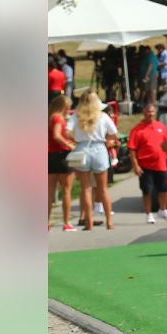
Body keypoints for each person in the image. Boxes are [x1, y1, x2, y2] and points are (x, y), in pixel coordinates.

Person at [67, 92, 118, 229]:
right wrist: (107, 141)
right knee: (103, 189)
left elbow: (66, 131)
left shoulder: (76, 116)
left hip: (81, 149)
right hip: (99, 148)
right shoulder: (103, 116)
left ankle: (88, 221)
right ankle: (109, 221)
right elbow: (114, 133)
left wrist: (75, 140)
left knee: (86, 189)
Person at [128, 102, 167, 224]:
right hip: (145, 165)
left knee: (164, 189)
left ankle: (163, 210)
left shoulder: (161, 126)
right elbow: (132, 149)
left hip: (161, 164)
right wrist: (135, 165)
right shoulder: (137, 130)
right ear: (144, 113)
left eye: (152, 112)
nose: (150, 114)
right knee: (147, 191)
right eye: (148, 112)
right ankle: (148, 214)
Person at [48, 95, 76, 230]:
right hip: (62, 154)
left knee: (50, 191)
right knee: (66, 189)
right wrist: (69, 144)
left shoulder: (50, 117)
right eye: (68, 107)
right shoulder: (58, 118)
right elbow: (57, 135)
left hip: (50, 154)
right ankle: (66, 222)